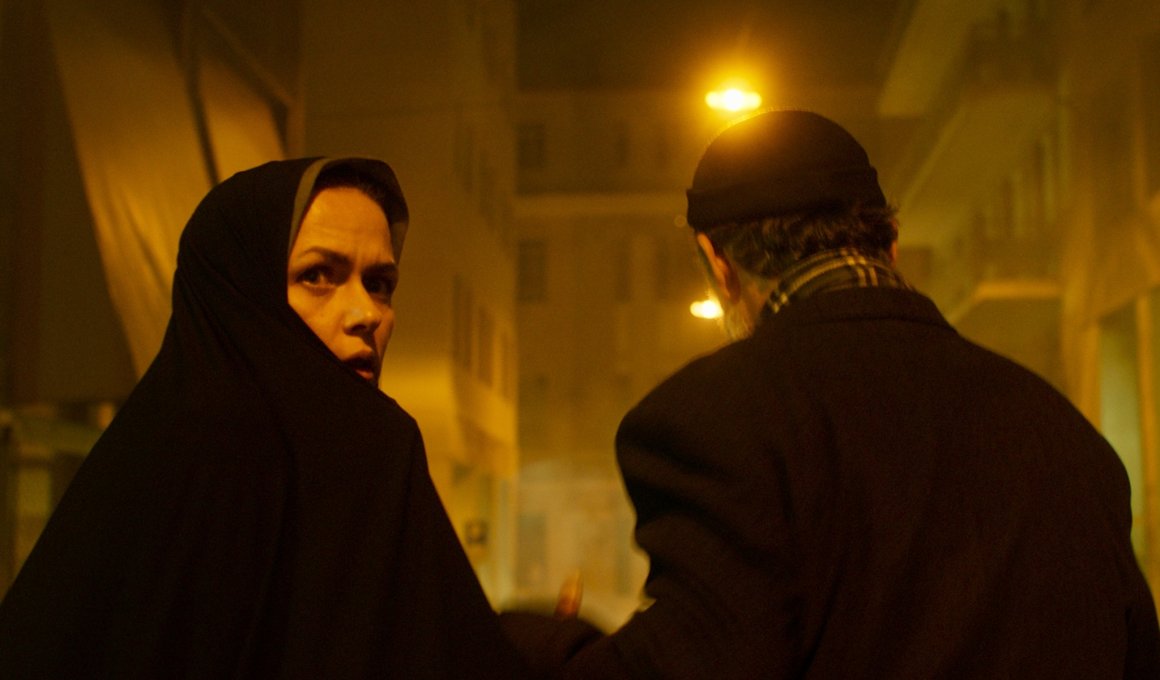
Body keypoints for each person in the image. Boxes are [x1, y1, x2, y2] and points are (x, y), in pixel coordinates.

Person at [557, 110, 1160, 678]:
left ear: (718, 262)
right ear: (890, 240)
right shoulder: (1062, 431)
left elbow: (700, 660)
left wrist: (546, 647)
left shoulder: (713, 421)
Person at [0, 158, 532, 677]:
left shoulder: (366, 463)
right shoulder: (192, 463)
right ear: (239, 295)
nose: (367, 314)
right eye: (318, 276)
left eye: (379, 284)